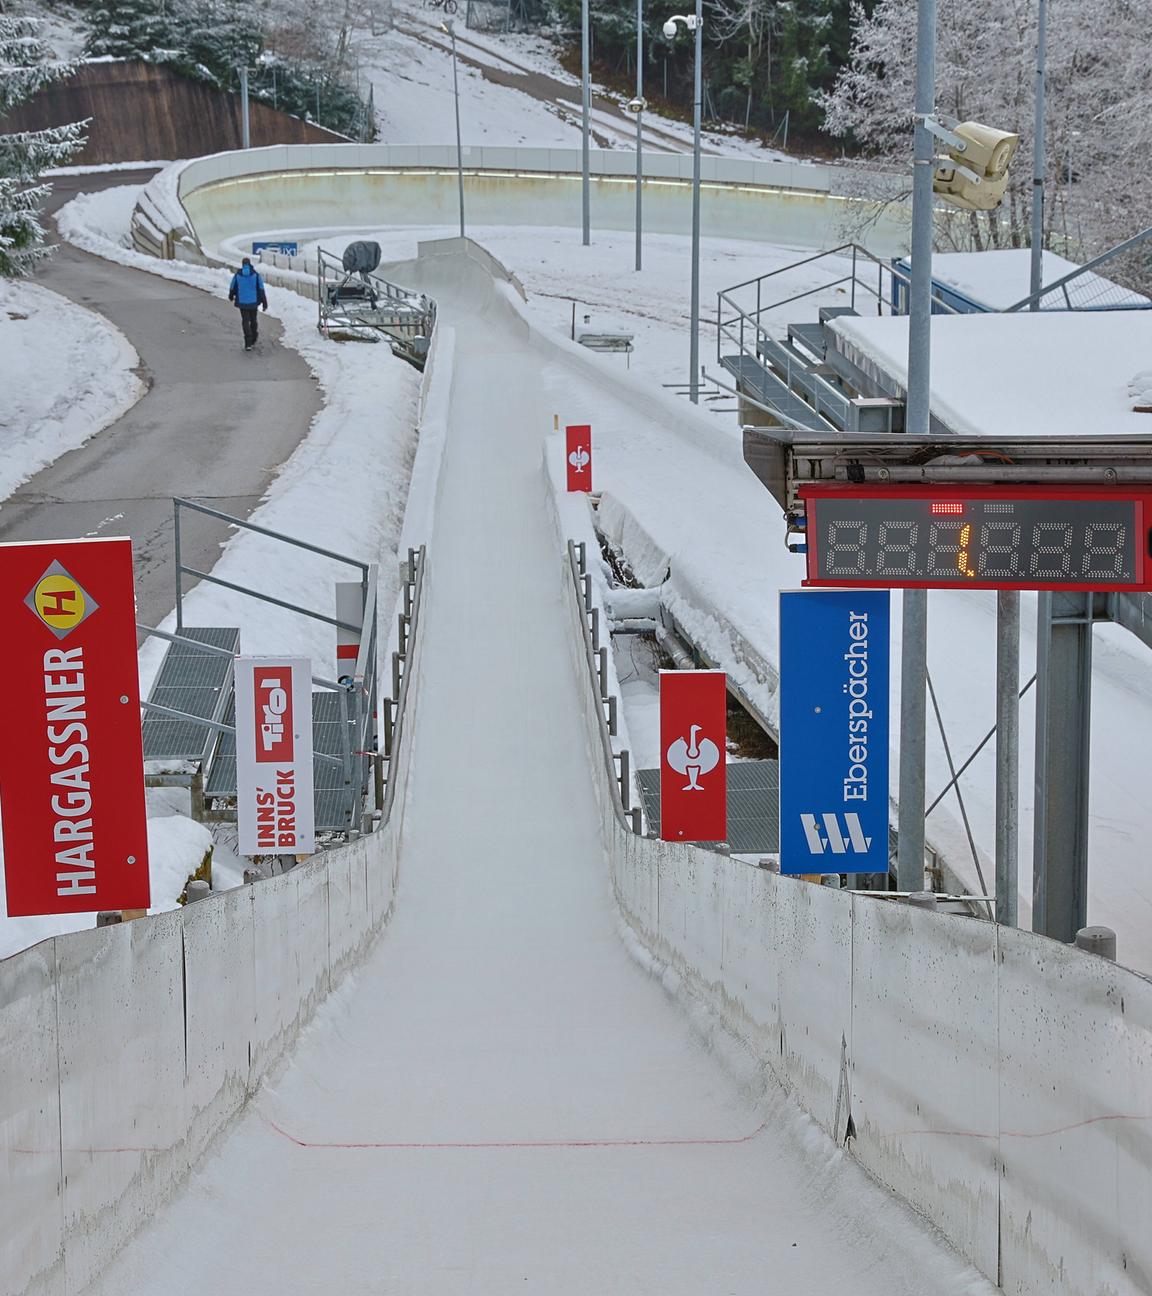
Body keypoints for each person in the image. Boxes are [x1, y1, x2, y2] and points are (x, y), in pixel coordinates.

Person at [228, 257, 268, 350]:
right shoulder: (256, 275)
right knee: (253, 320)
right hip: (253, 302)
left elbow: (232, 286)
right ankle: (254, 337)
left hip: (242, 302)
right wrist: (264, 303)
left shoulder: (238, 275)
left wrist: (231, 296)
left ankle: (248, 343)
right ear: (249, 264)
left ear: (242, 265)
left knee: (245, 321)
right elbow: (261, 289)